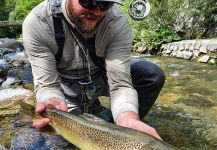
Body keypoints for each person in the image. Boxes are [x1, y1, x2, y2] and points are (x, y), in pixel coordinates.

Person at [23, 0, 165, 140]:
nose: (97, 11)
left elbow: (120, 85)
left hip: (100, 77)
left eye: (105, 4)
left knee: (150, 74)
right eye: (88, 2)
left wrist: (128, 119)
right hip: (65, 87)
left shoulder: (117, 23)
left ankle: (119, 128)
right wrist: (52, 105)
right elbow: (48, 85)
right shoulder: (38, 22)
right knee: (64, 138)